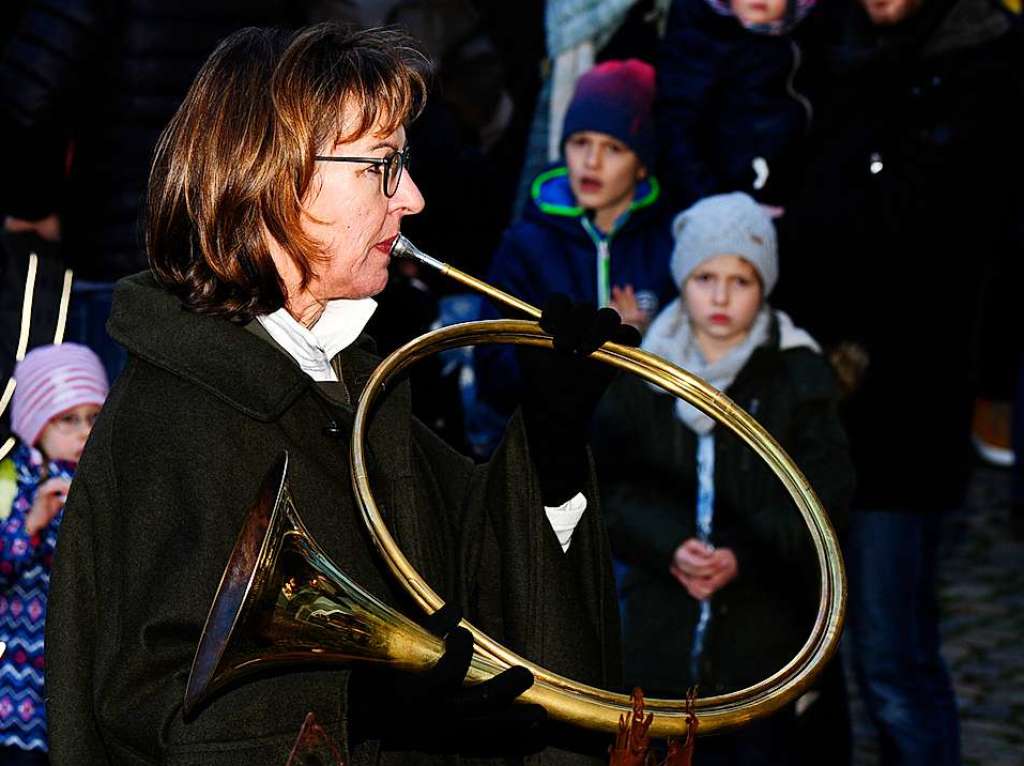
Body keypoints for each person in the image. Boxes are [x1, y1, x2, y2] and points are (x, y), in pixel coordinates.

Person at [44, 24, 631, 766]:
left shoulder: (352, 382)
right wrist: (362, 714)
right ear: (272, 181)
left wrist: (547, 449)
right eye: (382, 166)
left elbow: (472, 565)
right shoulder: (175, 416)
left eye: (404, 164)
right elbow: (147, 711)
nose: (411, 198)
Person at [772, 1, 1024, 763]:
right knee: (811, 662)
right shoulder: (814, 48)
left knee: (891, 654)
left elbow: (974, 244)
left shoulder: (986, 62)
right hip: (811, 398)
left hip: (911, 405)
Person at [594, 193, 854, 765]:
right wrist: (666, 545)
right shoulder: (644, 368)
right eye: (704, 276)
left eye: (740, 281)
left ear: (764, 285)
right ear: (682, 278)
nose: (719, 296)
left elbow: (824, 494)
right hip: (657, 626)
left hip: (763, 633)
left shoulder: (797, 374)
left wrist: (742, 552)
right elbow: (609, 486)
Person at [473, 59, 675, 453]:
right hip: (541, 451)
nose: (591, 163)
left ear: (641, 165)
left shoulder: (669, 243)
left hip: (646, 463)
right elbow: (491, 367)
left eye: (613, 148)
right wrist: (564, 355)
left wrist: (648, 341)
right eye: (580, 142)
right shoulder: (526, 244)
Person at [0, 342, 108, 764]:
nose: (84, 431)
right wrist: (30, 524)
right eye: (67, 420)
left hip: (74, 679)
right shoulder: (13, 485)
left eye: (94, 418)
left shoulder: (101, 484)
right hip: (13, 689)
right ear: (36, 425)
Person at [656, 0, 822, 213]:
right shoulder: (698, 38)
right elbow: (675, 129)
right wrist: (715, 207)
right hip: (713, 209)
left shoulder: (814, 37)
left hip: (791, 206)